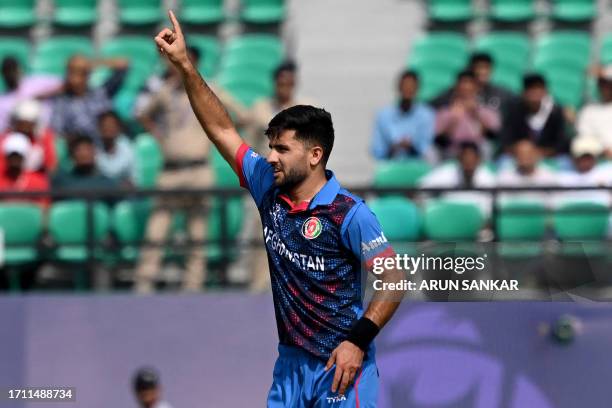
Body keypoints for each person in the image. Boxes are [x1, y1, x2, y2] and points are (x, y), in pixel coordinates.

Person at [154, 11, 405, 406]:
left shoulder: (348, 213)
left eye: (282, 149)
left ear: (314, 155)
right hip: (289, 366)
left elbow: (394, 279)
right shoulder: (267, 186)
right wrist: (185, 65)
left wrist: (357, 343)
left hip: (339, 366)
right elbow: (221, 128)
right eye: (270, 147)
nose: (270, 156)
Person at [50, 55, 128, 144]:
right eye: (72, 73)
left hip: (107, 146)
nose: (76, 79)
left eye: (81, 73)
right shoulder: (62, 102)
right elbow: (57, 132)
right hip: (81, 150)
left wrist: (94, 64)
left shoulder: (99, 94)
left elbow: (123, 64)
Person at [499, 74, 567, 162]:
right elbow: (506, 141)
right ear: (524, 93)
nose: (534, 95)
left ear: (545, 91)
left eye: (538, 89)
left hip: (548, 157)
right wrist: (523, 152)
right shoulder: (514, 110)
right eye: (531, 90)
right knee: (503, 162)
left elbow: (561, 143)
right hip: (518, 157)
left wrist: (539, 153)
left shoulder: (555, 112)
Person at [434, 70, 501, 160]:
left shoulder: (487, 112)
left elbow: (491, 136)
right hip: (453, 152)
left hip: (478, 154)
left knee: (487, 147)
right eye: (463, 85)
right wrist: (454, 120)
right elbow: (441, 141)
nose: (466, 90)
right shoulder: (444, 112)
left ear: (476, 88)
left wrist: (476, 114)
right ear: (456, 88)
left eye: (470, 86)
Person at [370, 70, 435, 161]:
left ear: (417, 89)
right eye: (405, 86)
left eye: (411, 86)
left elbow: (426, 147)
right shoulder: (383, 115)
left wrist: (411, 146)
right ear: (398, 87)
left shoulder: (426, 115)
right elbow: (377, 150)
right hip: (390, 164)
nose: (408, 90)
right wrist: (394, 147)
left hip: (417, 164)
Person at [419, 141, 495, 217]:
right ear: (459, 159)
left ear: (478, 160)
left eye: (471, 160)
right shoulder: (447, 172)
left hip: (479, 221)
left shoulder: (488, 178)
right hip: (448, 217)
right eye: (465, 159)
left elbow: (494, 204)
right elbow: (421, 187)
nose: (468, 164)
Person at [433, 52, 513, 113]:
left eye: (486, 67)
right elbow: (432, 106)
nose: (483, 72)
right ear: (470, 68)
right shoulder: (453, 93)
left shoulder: (502, 94)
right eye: (479, 67)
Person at [0, 56, 62, 132]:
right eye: (7, 71)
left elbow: (66, 83)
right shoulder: (2, 100)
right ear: (3, 74)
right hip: (20, 136)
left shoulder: (35, 81)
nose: (11, 74)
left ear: (19, 69)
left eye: (13, 69)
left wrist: (40, 96)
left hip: (46, 130)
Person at [0, 99, 57, 175]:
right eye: (22, 123)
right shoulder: (5, 139)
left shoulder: (44, 138)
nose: (24, 128)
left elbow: (51, 166)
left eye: (28, 124)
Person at [497, 138, 557, 206]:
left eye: (528, 154)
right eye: (520, 154)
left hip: (538, 214)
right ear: (515, 157)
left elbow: (553, 203)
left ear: (536, 155)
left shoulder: (548, 176)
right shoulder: (505, 177)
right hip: (515, 214)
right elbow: (501, 203)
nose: (524, 158)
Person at [51, 135, 119, 195]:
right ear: (72, 155)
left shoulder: (106, 183)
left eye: (87, 149)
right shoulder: (62, 181)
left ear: (94, 153)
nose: (84, 154)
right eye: (79, 150)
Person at [555, 136, 611, 206]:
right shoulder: (562, 178)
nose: (585, 161)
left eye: (588, 157)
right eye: (582, 157)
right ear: (574, 158)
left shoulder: (607, 172)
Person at [0, 132, 49, 207]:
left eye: (19, 155)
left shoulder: (38, 181)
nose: (15, 159)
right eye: (12, 155)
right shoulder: (1, 179)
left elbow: (44, 207)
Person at [576, 65, 612, 159]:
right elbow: (584, 135)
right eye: (602, 83)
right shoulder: (589, 110)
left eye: (609, 84)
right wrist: (603, 149)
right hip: (597, 161)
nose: (606, 88)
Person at [95, 110, 135, 185]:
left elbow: (134, 179)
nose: (108, 128)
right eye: (105, 125)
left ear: (118, 128)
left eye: (111, 125)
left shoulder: (129, 149)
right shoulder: (93, 149)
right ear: (99, 128)